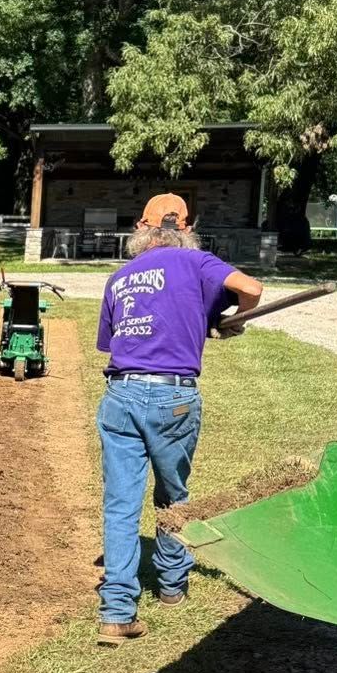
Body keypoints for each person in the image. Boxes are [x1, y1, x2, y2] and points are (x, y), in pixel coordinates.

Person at [95, 193, 261, 645]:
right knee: (173, 496)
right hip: (173, 398)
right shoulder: (198, 263)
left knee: (121, 505)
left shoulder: (120, 278)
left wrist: (209, 320)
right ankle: (171, 586)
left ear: (141, 228)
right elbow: (252, 289)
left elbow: (117, 340)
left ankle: (116, 611)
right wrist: (237, 319)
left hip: (121, 395)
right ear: (186, 227)